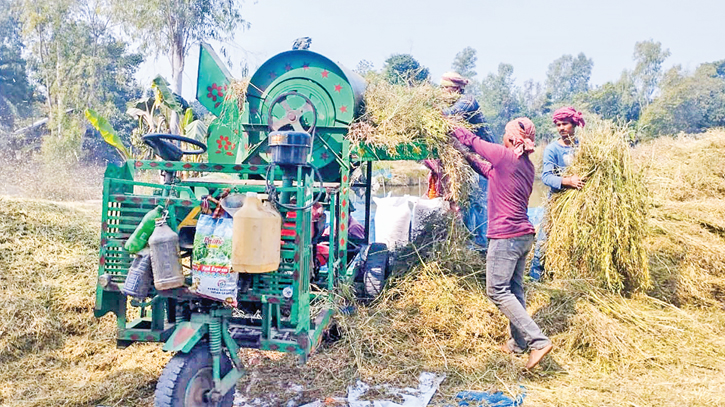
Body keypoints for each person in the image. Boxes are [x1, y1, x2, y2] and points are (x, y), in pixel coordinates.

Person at [452, 118, 552, 369]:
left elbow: (472, 141)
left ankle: (538, 341)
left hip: (506, 237)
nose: (501, 139)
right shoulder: (526, 166)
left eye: (504, 135)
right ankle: (518, 344)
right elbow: (485, 169)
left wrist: (447, 124)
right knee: (515, 291)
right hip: (524, 236)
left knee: (496, 290)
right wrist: (463, 154)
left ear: (511, 139)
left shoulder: (504, 156)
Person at [425, 71, 494, 250]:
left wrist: (431, 110)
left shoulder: (468, 101)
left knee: (478, 201)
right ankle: (468, 242)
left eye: (443, 89)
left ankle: (481, 245)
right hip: (470, 160)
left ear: (454, 89)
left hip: (484, 160)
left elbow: (447, 117)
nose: (441, 93)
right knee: (465, 200)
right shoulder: (456, 102)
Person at [529, 107, 586, 279]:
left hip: (580, 202)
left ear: (574, 124)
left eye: (565, 124)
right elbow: (546, 177)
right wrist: (568, 181)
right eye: (558, 125)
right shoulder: (552, 149)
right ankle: (536, 278)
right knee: (544, 240)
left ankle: (570, 277)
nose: (561, 128)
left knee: (575, 240)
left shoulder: (583, 147)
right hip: (557, 202)